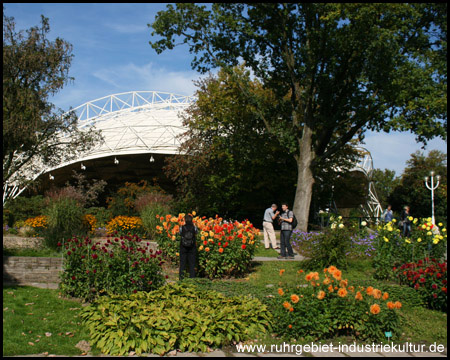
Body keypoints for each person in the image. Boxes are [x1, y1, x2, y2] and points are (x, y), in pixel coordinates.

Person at [179, 214, 198, 280]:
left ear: (185, 220)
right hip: (192, 247)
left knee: (182, 263)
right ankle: (192, 278)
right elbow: (196, 233)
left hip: (183, 246)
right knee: (192, 264)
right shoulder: (194, 228)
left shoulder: (182, 227)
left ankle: (181, 278)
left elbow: (180, 234)